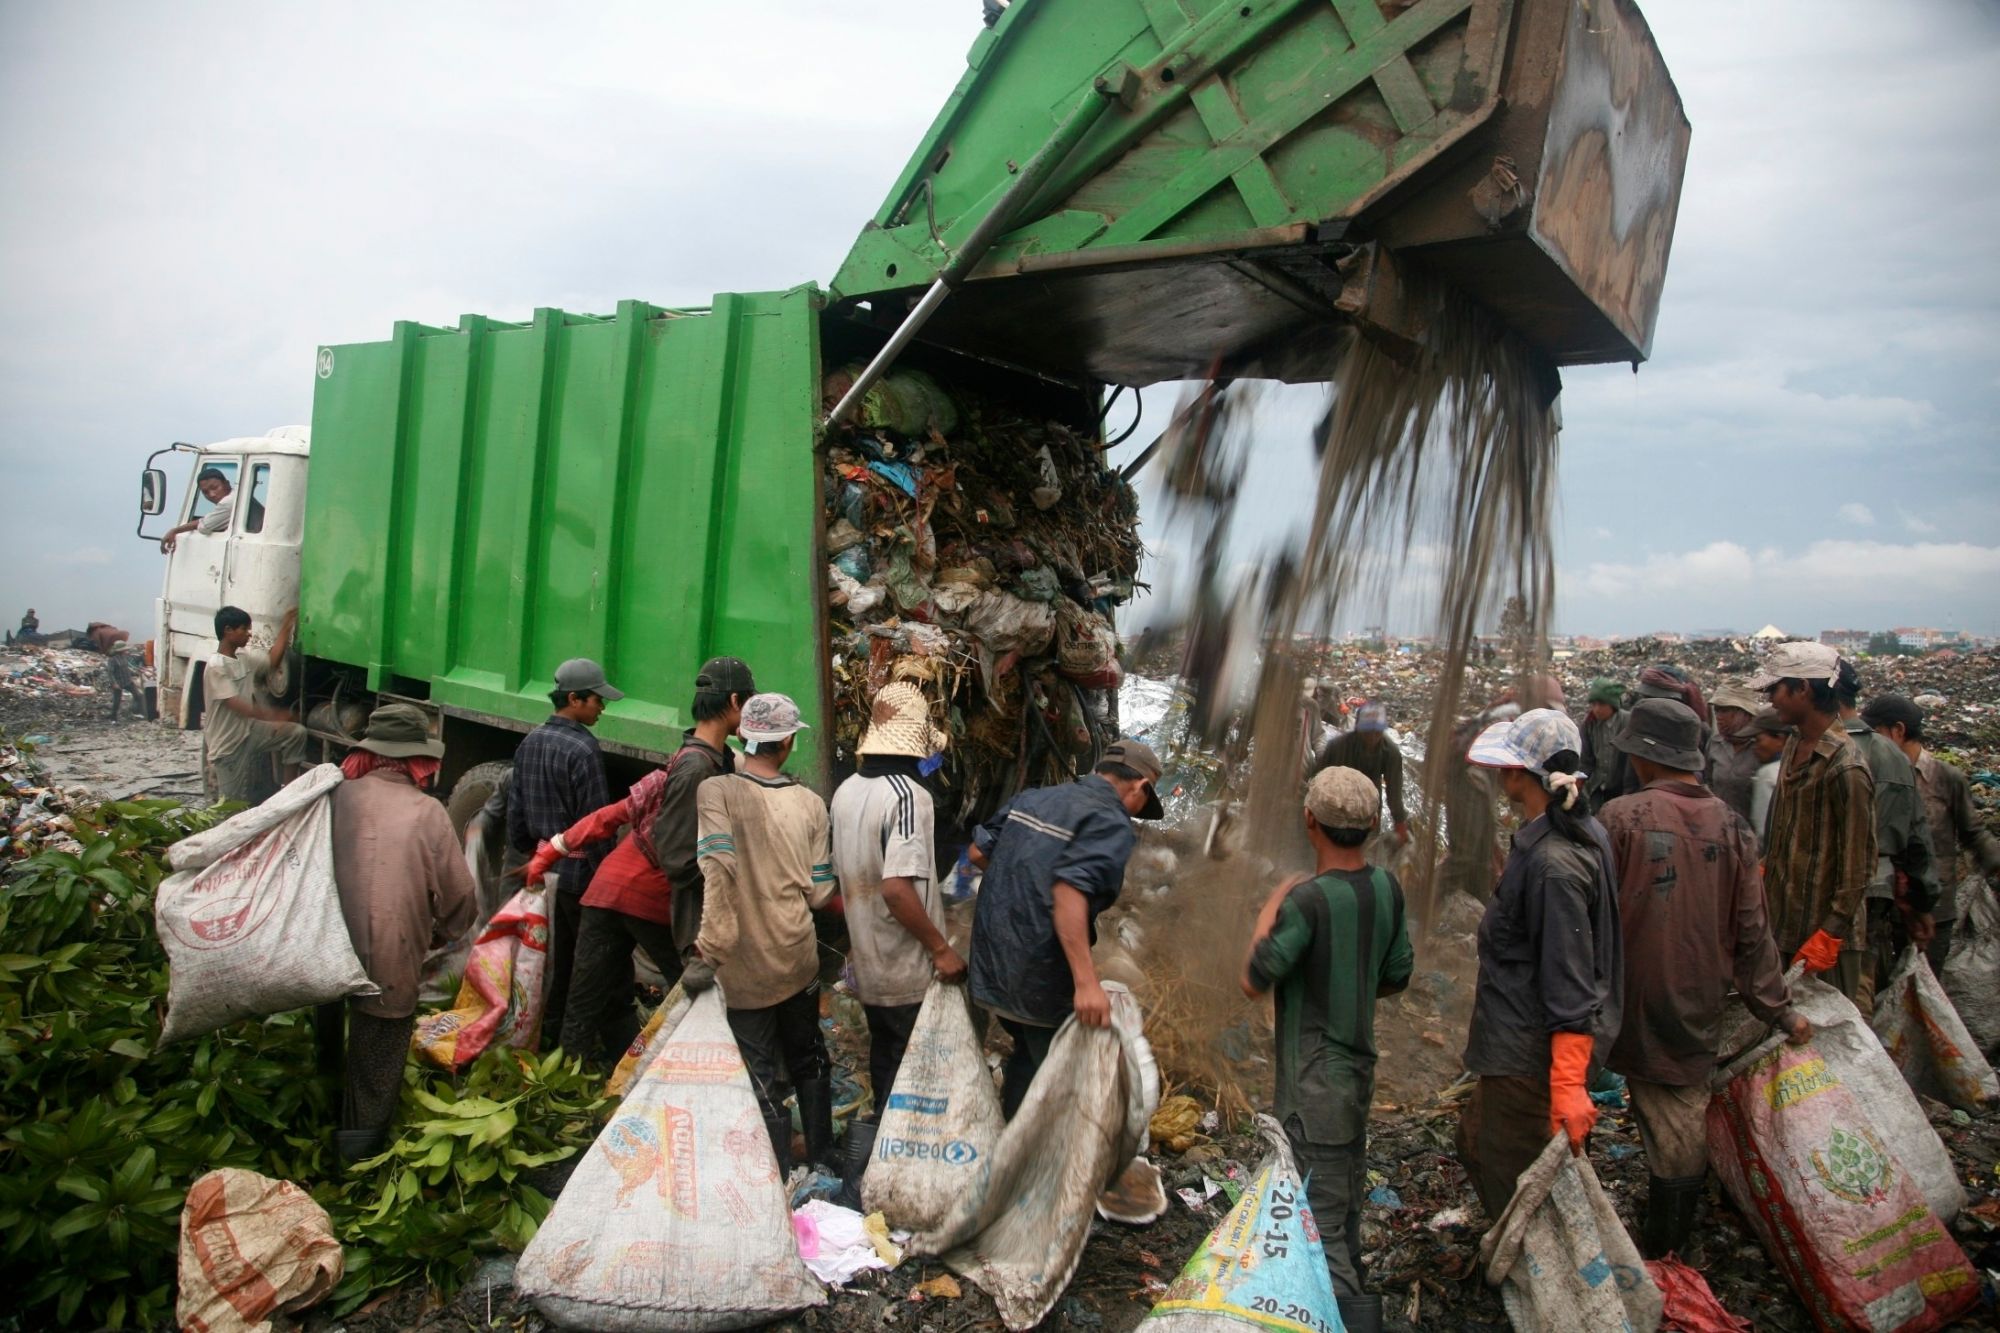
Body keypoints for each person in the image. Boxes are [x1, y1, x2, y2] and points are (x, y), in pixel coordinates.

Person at [1599, 699, 1807, 1258]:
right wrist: (1778, 1007)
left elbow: (1588, 920)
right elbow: (1752, 931)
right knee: (1680, 1112)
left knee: (1660, 1131)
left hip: (1628, 997)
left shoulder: (1619, 818)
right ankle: (1668, 1236)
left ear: (1643, 758)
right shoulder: (1732, 826)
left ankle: (1665, 1252)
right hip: (1697, 997)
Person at [1241, 766, 1413, 1333]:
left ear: (1310, 820)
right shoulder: (1387, 887)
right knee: (1345, 1208)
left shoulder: (1307, 901)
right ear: (1371, 826)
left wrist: (1271, 908)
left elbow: (1254, 977)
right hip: (1357, 1076)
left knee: (1321, 1221)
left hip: (1314, 1086)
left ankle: (1349, 1317)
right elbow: (1396, 975)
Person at [522, 658, 749, 1066]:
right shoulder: (697, 767)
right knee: (692, 991)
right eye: (747, 702)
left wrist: (553, 848)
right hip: (646, 896)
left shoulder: (693, 757)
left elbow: (617, 812)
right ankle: (685, 1074)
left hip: (606, 891)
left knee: (588, 997)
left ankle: (570, 1079)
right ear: (733, 702)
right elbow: (678, 857)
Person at [1455, 709, 1621, 1220]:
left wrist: (1567, 1083)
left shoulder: (1555, 863)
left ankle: (1546, 1285)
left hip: (1532, 1058)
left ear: (1517, 775)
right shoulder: (1576, 832)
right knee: (1477, 1140)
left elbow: (1569, 972)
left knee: (1526, 1184)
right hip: (1523, 1048)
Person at [683, 693, 838, 1175]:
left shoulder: (716, 793)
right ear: (788, 742)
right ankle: (821, 1156)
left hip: (742, 970)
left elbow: (717, 870)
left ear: (743, 736)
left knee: (760, 1078)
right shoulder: (810, 803)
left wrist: (710, 948)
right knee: (809, 1058)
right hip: (796, 960)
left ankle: (772, 1180)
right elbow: (819, 894)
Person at [967, 738, 1164, 1117]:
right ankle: (1032, 1161)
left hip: (989, 966)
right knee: (1057, 1081)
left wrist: (1024, 888)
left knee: (1027, 1052)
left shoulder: (1033, 799)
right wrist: (1087, 983)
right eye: (1143, 803)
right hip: (1036, 979)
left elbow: (978, 853)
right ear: (1139, 786)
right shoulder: (1110, 822)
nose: (1138, 813)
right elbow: (1070, 895)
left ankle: (1011, 1132)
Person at [321, 703, 477, 1160]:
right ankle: (359, 1156)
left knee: (328, 1034)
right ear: (417, 760)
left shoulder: (333, 796)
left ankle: (321, 1116)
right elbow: (460, 897)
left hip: (324, 945)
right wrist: (444, 932)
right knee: (378, 1055)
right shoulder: (427, 812)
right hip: (393, 953)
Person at [829, 682, 965, 1112]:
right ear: (918, 742)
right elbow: (896, 888)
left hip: (869, 965)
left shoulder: (847, 790)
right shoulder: (909, 798)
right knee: (917, 1081)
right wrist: (941, 949)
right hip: (906, 969)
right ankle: (902, 1166)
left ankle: (874, 1153)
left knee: (886, 1063)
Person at [1752, 642, 1876, 1002]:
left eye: (1776, 689)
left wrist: (1830, 934)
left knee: (1830, 1048)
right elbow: (1789, 830)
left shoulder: (1845, 765)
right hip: (1785, 925)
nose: (1771, 699)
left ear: (1803, 689)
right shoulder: (1794, 745)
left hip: (1823, 938)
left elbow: (1859, 864)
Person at [506, 659, 620, 1049]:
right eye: (597, 700)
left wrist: (534, 854)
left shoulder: (529, 743)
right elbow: (597, 825)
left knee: (549, 960)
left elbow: (516, 816)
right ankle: (575, 1048)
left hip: (545, 876)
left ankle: (543, 1031)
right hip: (579, 879)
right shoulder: (584, 750)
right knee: (583, 966)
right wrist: (607, 879)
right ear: (574, 699)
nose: (602, 708)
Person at [1864, 692, 2000, 972]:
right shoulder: (1869, 773)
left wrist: (1995, 866)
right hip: (1883, 909)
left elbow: (1972, 832)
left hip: (1933, 912)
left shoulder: (1946, 778)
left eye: (1874, 733)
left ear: (1897, 731)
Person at [1833, 659, 1939, 1007]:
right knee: (1860, 976)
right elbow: (1916, 837)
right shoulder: (1890, 754)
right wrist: (1922, 904)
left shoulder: (1811, 747)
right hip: (1876, 888)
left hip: (1834, 889)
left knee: (1836, 983)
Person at [204, 606, 306, 805]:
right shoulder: (216, 667)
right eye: (244, 629)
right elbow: (238, 705)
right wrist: (277, 716)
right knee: (230, 807)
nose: (249, 634)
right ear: (228, 631)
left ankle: (287, 795)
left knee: (295, 733)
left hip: (249, 732)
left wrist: (286, 628)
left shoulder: (244, 658)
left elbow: (272, 661)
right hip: (229, 745)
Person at [1308, 703, 1409, 847]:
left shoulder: (1390, 752)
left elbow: (1394, 791)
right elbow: (1318, 779)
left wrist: (1399, 822)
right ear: (1358, 730)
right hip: (1338, 801)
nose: (1373, 737)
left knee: (1366, 847)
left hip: (1369, 806)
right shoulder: (1338, 747)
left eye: (1377, 732)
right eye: (1368, 732)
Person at [1704, 682, 1766, 823]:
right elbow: (1707, 781)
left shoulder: (1762, 745)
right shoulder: (1715, 743)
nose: (1719, 717)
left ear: (1744, 713)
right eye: (1717, 710)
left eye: (1725, 710)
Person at [1743, 707, 1793, 850]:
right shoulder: (1800, 766)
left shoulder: (1768, 774)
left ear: (1780, 739)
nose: (1755, 747)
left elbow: (1764, 831)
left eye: (1759, 740)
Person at [1578, 678, 1628, 812]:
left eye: (1601, 704)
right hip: (1597, 787)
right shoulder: (1589, 725)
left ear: (1612, 705)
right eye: (1593, 705)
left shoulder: (1627, 722)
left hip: (1621, 788)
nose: (1596, 709)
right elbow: (1586, 761)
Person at [160, 467, 234, 552]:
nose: (212, 494)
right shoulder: (235, 497)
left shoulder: (227, 503)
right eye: (205, 492)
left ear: (227, 483)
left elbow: (204, 527)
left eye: (215, 487)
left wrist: (175, 530)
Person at [85, 623, 147, 722]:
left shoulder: (124, 657)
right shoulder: (112, 660)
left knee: (139, 695)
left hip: (127, 681)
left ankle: (135, 711)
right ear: (119, 650)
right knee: (117, 701)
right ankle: (113, 716)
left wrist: (135, 672)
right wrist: (114, 683)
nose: (126, 651)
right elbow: (110, 672)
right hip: (118, 682)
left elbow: (126, 668)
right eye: (124, 650)